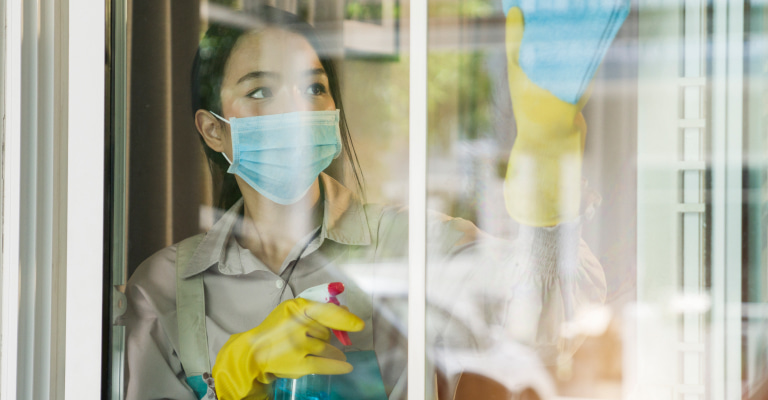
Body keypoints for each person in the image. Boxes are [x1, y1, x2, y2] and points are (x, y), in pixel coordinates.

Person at [123, 5, 607, 400]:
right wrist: (231, 380)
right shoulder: (167, 289)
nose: (298, 106)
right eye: (262, 90)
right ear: (213, 129)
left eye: (314, 87)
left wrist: (547, 167)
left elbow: (550, 318)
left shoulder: (408, 246)